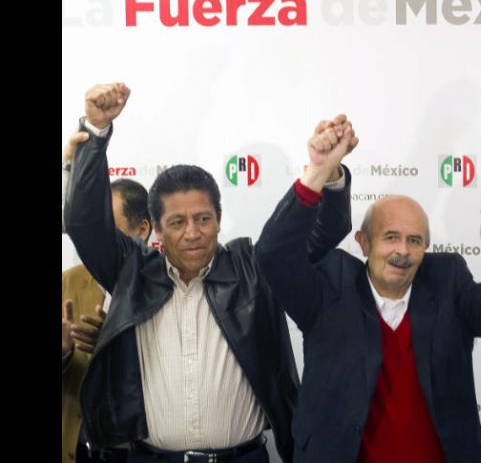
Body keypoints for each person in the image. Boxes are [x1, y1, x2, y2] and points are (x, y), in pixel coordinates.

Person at [63, 81, 354, 463]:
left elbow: (324, 231)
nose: (192, 232)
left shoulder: (254, 269)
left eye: (203, 218)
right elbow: (85, 223)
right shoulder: (132, 271)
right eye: (177, 222)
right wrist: (97, 130)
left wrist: (326, 172)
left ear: (218, 220)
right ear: (156, 229)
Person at [255, 126, 481, 462]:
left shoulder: (448, 280)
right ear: (364, 243)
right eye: (391, 237)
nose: (403, 251)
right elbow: (273, 254)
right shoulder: (331, 285)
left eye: (414, 241)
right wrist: (319, 173)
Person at [63, 127, 152, 463]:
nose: (94, 241)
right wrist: (64, 353)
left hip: (142, 451)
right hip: (80, 450)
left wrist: (116, 346)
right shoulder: (68, 283)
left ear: (142, 230)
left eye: (105, 229)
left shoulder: (166, 286)